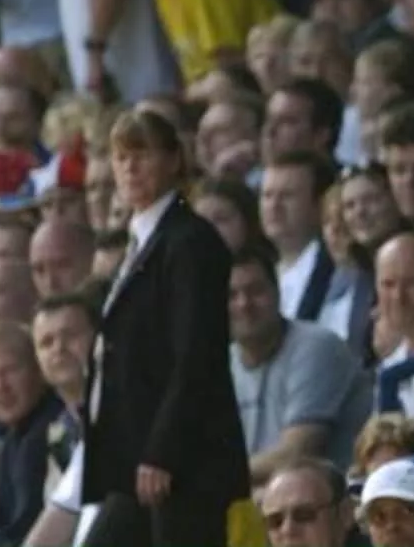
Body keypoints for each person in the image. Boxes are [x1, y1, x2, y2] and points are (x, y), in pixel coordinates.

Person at [80, 109, 252, 545]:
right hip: (138, 457)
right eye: (121, 158)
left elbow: (196, 356)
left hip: (183, 463)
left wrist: (163, 452)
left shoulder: (189, 240)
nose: (130, 168)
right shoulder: (143, 240)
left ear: (174, 159)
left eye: (142, 154)